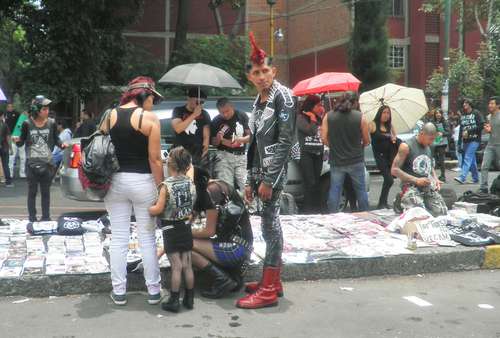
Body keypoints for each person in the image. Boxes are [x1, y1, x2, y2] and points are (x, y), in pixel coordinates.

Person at [237, 32, 295, 309]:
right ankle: (273, 281)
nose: (261, 76)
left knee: (270, 226)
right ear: (249, 76)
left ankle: (269, 290)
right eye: (256, 72)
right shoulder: (257, 102)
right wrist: (250, 179)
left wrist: (270, 179)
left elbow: (285, 141)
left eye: (265, 71)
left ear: (274, 70)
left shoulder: (283, 97)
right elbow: (254, 144)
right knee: (269, 225)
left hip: (275, 171)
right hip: (261, 170)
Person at [102, 76, 164, 306]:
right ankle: (154, 291)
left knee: (118, 238)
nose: (153, 103)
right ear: (143, 95)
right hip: (142, 181)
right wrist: (161, 187)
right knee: (147, 238)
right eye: (152, 98)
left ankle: (119, 292)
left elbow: (100, 146)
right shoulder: (149, 119)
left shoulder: (109, 116)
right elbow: (155, 159)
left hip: (114, 182)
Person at [190, 167, 253, 299]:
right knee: (181, 240)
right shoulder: (208, 189)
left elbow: (209, 231)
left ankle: (222, 279)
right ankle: (229, 276)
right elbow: (190, 219)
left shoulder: (211, 191)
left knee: (185, 245)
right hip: (240, 245)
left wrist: (185, 233)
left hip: (237, 248)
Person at [149, 147, 196, 313]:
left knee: (176, 266)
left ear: (169, 164)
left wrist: (149, 209)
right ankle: (190, 299)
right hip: (185, 227)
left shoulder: (165, 186)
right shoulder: (190, 183)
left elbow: (159, 208)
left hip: (171, 228)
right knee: (187, 265)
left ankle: (174, 300)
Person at [13, 96, 67, 222]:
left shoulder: (51, 123)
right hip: (32, 164)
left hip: (47, 163)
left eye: (48, 109)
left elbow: (56, 138)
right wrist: (17, 141)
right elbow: (21, 143)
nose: (47, 111)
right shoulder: (27, 123)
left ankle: (46, 218)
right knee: (32, 193)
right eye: (44, 109)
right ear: (36, 110)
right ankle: (32, 218)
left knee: (45, 193)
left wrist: (62, 145)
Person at [321, 93, 370, 213]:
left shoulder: (328, 116)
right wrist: (360, 146)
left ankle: (333, 214)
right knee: (361, 190)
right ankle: (365, 214)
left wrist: (333, 146)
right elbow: (367, 140)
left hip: (337, 160)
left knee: (335, 190)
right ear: (355, 102)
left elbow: (323, 138)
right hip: (356, 160)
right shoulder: (360, 117)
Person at [391, 123, 447, 216]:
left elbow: (429, 164)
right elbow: (394, 170)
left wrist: (435, 179)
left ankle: (419, 200)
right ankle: (401, 199)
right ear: (422, 134)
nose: (431, 142)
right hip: (410, 185)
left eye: (433, 139)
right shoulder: (406, 146)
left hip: (426, 185)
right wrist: (416, 180)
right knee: (419, 213)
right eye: (430, 139)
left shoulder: (429, 146)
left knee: (441, 212)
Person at [211, 97, 251, 191]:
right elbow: (214, 143)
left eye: (227, 111)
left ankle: (249, 205)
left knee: (246, 186)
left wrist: (240, 140)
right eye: (222, 112)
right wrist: (218, 139)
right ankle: (228, 205)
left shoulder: (241, 115)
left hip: (240, 156)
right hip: (223, 156)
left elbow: (251, 137)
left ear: (232, 107)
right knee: (226, 188)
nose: (225, 114)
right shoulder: (216, 121)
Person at [297, 95, 325, 214]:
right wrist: (313, 119)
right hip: (306, 153)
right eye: (318, 105)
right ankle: (308, 210)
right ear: (311, 106)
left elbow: (322, 133)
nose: (321, 108)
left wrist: (320, 118)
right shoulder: (300, 117)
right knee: (310, 182)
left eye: (322, 105)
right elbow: (310, 131)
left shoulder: (319, 118)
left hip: (318, 152)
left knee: (317, 182)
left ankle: (317, 208)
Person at [171, 88, 211, 166]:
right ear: (189, 99)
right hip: (181, 152)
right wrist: (194, 115)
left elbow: (206, 136)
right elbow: (178, 128)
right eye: (197, 102)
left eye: (202, 102)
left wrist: (204, 151)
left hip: (198, 153)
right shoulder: (178, 111)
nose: (200, 104)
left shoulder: (204, 114)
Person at [369, 105, 398, 209]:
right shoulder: (373, 124)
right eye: (384, 112)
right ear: (379, 113)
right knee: (389, 179)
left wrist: (393, 138)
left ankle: (383, 203)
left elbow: (395, 137)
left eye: (388, 113)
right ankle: (382, 202)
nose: (386, 115)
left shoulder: (390, 126)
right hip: (379, 155)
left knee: (389, 180)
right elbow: (366, 135)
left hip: (389, 156)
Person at [454, 98, 484, 185]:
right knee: (471, 160)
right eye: (463, 103)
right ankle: (475, 178)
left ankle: (462, 177)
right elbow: (461, 130)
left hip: (475, 139)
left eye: (466, 103)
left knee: (467, 157)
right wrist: (459, 143)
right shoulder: (463, 115)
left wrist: (469, 131)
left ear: (470, 104)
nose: (464, 105)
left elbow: (481, 125)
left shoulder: (476, 113)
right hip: (466, 140)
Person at [480, 97, 500, 193]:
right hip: (490, 145)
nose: (490, 105)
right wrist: (487, 130)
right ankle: (483, 187)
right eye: (489, 103)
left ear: (498, 105)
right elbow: (488, 130)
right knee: (484, 165)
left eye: (492, 103)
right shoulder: (488, 117)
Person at [431, 109, 450, 182]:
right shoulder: (432, 122)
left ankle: (443, 175)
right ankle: (433, 175)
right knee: (433, 158)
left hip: (442, 143)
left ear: (441, 114)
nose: (438, 114)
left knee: (441, 159)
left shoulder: (445, 122)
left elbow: (448, 132)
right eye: (436, 113)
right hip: (434, 142)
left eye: (439, 113)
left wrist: (443, 133)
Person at [10, 110, 29, 178]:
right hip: (16, 137)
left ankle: (19, 173)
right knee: (15, 157)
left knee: (21, 157)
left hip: (19, 138)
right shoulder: (23, 117)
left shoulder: (25, 117)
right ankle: (13, 173)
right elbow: (19, 127)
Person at [0, 111, 13, 187]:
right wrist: (11, 148)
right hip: (4, 147)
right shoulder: (4, 125)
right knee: (5, 165)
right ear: (1, 116)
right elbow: (8, 137)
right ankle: (8, 182)